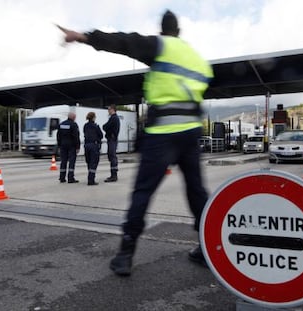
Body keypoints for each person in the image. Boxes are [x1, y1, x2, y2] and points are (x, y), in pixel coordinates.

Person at [58, 9, 213, 276]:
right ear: (179, 31)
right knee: (197, 191)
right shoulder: (199, 61)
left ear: (163, 31)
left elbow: (124, 42)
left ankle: (125, 255)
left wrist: (83, 37)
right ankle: (209, 248)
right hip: (191, 133)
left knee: (143, 192)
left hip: (163, 132)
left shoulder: (161, 46)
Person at [57, 111, 80, 183]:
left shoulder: (61, 124)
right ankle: (71, 178)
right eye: (75, 117)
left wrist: (59, 145)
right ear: (73, 117)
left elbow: (58, 136)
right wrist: (77, 146)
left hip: (63, 145)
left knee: (63, 161)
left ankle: (62, 177)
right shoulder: (74, 125)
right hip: (71, 146)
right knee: (71, 162)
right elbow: (76, 136)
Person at [83, 111, 103, 185]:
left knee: (89, 162)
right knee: (93, 163)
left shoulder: (85, 126)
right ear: (93, 117)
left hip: (86, 145)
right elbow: (101, 135)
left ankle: (90, 177)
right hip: (94, 146)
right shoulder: (96, 126)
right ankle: (91, 180)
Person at [102, 104, 120, 182]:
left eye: (109, 109)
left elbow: (105, 126)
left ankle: (114, 175)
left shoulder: (113, 118)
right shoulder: (115, 118)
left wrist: (106, 129)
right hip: (112, 139)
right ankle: (114, 173)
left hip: (112, 139)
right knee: (111, 156)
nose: (108, 111)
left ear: (112, 109)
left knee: (112, 156)